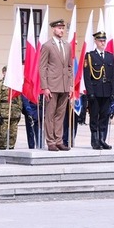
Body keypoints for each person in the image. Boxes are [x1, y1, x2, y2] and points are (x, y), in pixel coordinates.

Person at [39, 18, 72, 151]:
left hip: (64, 85)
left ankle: (59, 140)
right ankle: (50, 141)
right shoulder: (47, 45)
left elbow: (69, 66)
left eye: (63, 28)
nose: (61, 30)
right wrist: (45, 86)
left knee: (60, 114)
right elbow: (42, 67)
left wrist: (70, 85)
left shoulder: (67, 45)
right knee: (50, 114)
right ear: (53, 29)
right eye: (59, 28)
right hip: (52, 85)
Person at [83, 31, 114, 150]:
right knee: (94, 116)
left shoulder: (109, 56)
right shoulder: (90, 56)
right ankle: (94, 140)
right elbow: (87, 76)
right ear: (95, 41)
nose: (102, 43)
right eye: (100, 41)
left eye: (104, 41)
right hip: (95, 92)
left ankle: (102, 139)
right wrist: (90, 92)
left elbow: (112, 76)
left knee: (104, 116)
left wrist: (113, 92)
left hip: (106, 91)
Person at [0, 66, 22, 151]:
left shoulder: (15, 84)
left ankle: (11, 149)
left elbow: (19, 99)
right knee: (3, 134)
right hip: (4, 113)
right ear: (3, 72)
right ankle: (3, 150)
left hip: (14, 112)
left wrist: (19, 110)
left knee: (13, 134)